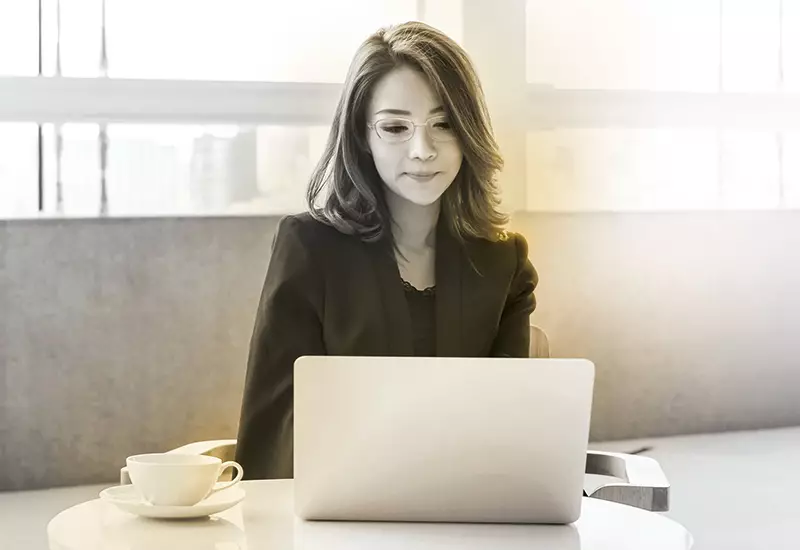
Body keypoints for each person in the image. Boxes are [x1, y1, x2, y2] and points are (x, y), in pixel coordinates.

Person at [235, 21, 538, 480]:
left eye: (444, 124)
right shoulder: (309, 249)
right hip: (336, 516)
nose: (422, 150)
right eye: (395, 127)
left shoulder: (504, 263)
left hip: (467, 508)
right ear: (362, 136)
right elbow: (272, 431)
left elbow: (515, 429)